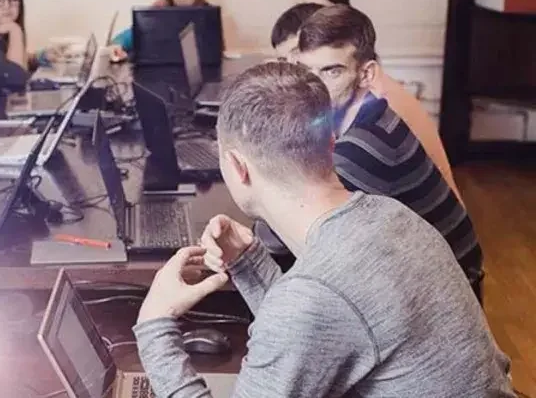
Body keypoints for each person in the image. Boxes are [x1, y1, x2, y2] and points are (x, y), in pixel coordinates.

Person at [133, 61, 514, 398]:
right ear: (331, 144)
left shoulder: (312, 297)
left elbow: (313, 311)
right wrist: (248, 262)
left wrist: (155, 326)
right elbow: (321, 332)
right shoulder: (392, 214)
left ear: (236, 166)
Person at [261, 4, 484, 301]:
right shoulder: (368, 114)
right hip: (437, 276)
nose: (313, 88)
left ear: (366, 74)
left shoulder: (365, 147)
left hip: (448, 297)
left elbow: (282, 241)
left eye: (331, 71)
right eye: (306, 72)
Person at [110, 0, 209, 61]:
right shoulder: (160, 8)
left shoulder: (208, 15)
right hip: (161, 78)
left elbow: (217, 55)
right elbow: (129, 36)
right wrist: (117, 45)